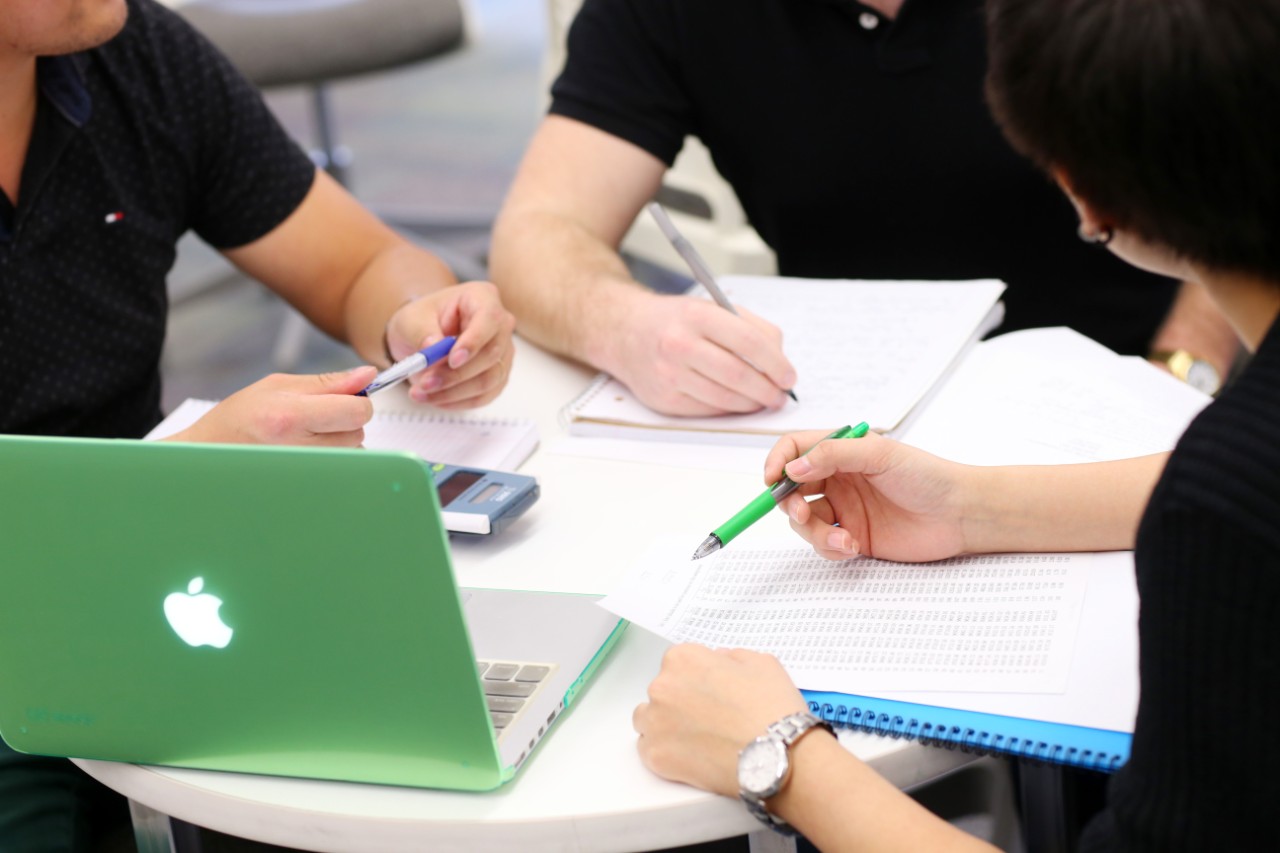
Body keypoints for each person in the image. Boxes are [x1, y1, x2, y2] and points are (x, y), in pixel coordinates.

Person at [631, 0, 1280, 849]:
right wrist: (971, 508)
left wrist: (782, 758)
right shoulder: (1234, 471)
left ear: (1081, 190)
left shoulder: (1224, 516)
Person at [0, 0, 514, 847]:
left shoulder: (133, 54)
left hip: (158, 582)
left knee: (412, 741)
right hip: (35, 609)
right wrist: (190, 467)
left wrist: (416, 318)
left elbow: (361, 262)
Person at [489, 0, 1240, 418]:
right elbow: (541, 228)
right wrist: (627, 326)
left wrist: (1182, 372)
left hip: (1128, 383)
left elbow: (1244, 180)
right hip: (836, 412)